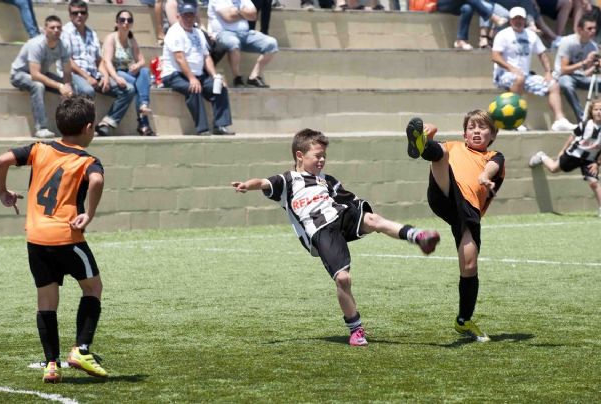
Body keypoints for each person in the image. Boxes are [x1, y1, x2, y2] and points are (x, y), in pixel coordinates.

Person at [231, 128, 441, 346]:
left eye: (324, 156)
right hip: (321, 231)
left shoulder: (327, 181)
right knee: (343, 279)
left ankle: (418, 237)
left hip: (340, 215)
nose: (322, 160)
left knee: (373, 220)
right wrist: (248, 185)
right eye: (317, 156)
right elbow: (263, 182)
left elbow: (348, 199)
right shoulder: (288, 180)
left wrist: (359, 211)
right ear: (300, 156)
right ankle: (356, 328)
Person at [0, 96, 107, 383]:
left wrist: (4, 193)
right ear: (89, 127)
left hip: (36, 238)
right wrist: (89, 214)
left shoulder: (39, 149)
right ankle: (81, 349)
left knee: (46, 300)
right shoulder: (87, 160)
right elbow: (96, 181)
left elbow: (2, 159)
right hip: (67, 236)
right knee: (93, 287)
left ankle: (51, 364)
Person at [405, 111, 505, 342]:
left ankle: (464, 320)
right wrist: (428, 137)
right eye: (472, 127)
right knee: (441, 152)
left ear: (492, 134)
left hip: (467, 213)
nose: (477, 131)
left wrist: (484, 176)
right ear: (464, 133)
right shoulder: (454, 145)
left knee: (469, 267)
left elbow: (492, 167)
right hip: (444, 193)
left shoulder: (494, 155)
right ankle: (422, 144)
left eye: (482, 127)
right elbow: (442, 154)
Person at [492, 6, 577, 132]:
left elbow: (542, 54)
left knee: (553, 84)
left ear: (525, 20)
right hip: (504, 74)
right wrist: (511, 68)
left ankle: (560, 120)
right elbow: (495, 56)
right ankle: (516, 120)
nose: (518, 21)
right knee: (519, 78)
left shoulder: (531, 35)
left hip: (525, 76)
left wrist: (548, 72)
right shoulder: (503, 35)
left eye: (521, 19)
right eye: (516, 19)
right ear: (510, 20)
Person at [62, 0, 135, 137]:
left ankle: (107, 123)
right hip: (74, 74)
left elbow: (99, 60)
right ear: (70, 14)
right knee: (87, 90)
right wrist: (87, 77)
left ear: (87, 14)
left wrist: (106, 76)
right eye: (75, 13)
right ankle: (85, 129)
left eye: (82, 12)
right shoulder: (66, 32)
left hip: (94, 74)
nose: (79, 15)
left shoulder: (91, 33)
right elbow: (68, 61)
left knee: (128, 89)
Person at [161, 2, 235, 135]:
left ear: (195, 16)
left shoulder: (198, 33)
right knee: (193, 89)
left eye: (191, 16)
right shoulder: (174, 32)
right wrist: (191, 78)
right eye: (185, 16)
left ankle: (220, 125)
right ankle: (202, 129)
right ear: (178, 16)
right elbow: (180, 58)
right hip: (174, 74)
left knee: (219, 87)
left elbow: (206, 57)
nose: (189, 19)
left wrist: (214, 76)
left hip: (198, 74)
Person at [529, 98, 601, 217]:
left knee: (594, 183)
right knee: (553, 169)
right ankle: (542, 157)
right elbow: (572, 137)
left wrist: (597, 163)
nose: (599, 112)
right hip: (573, 154)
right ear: (591, 111)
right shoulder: (585, 125)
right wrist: (563, 150)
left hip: (589, 160)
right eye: (596, 109)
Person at [10, 15, 74, 139]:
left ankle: (70, 126)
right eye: (52, 27)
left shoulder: (63, 45)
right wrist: (60, 86)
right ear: (45, 29)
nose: (56, 30)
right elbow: (35, 74)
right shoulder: (36, 44)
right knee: (38, 86)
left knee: (72, 90)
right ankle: (41, 128)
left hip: (42, 73)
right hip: (20, 74)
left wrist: (67, 86)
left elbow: (67, 71)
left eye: (58, 28)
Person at [103, 9, 155, 136]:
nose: (125, 23)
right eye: (122, 20)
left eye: (129, 20)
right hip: (117, 72)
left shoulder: (131, 39)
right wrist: (115, 77)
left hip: (129, 73)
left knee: (144, 71)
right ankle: (143, 122)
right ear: (117, 22)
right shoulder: (111, 38)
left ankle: (143, 104)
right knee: (140, 85)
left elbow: (142, 60)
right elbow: (107, 61)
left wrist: (137, 65)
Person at [208, 0, 279, 88]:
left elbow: (253, 16)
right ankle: (237, 78)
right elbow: (228, 17)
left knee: (272, 43)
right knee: (233, 42)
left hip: (245, 33)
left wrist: (236, 12)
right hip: (224, 33)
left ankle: (253, 77)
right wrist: (244, 12)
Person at [554, 13, 599, 122]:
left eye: (594, 28)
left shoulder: (593, 46)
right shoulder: (568, 42)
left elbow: (586, 74)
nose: (593, 31)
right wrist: (584, 63)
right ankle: (582, 118)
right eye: (589, 28)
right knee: (567, 84)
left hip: (580, 77)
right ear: (579, 30)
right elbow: (563, 69)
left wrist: (595, 67)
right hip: (564, 76)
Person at [437, 0, 508, 50]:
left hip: (459, 3)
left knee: (467, 8)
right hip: (443, 3)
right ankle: (493, 17)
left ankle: (461, 40)